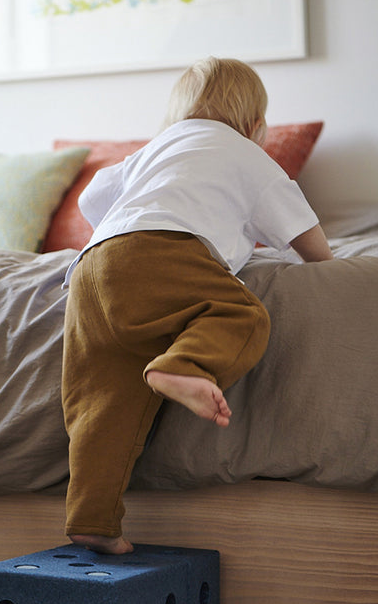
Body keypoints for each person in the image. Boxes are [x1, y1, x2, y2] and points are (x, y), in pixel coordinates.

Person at [61, 57, 333, 555]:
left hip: (91, 270)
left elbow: (92, 197)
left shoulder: (154, 150)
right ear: (256, 125)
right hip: (164, 252)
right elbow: (302, 228)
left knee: (101, 405)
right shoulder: (247, 154)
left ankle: (92, 519)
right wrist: (326, 262)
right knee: (240, 315)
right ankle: (184, 365)